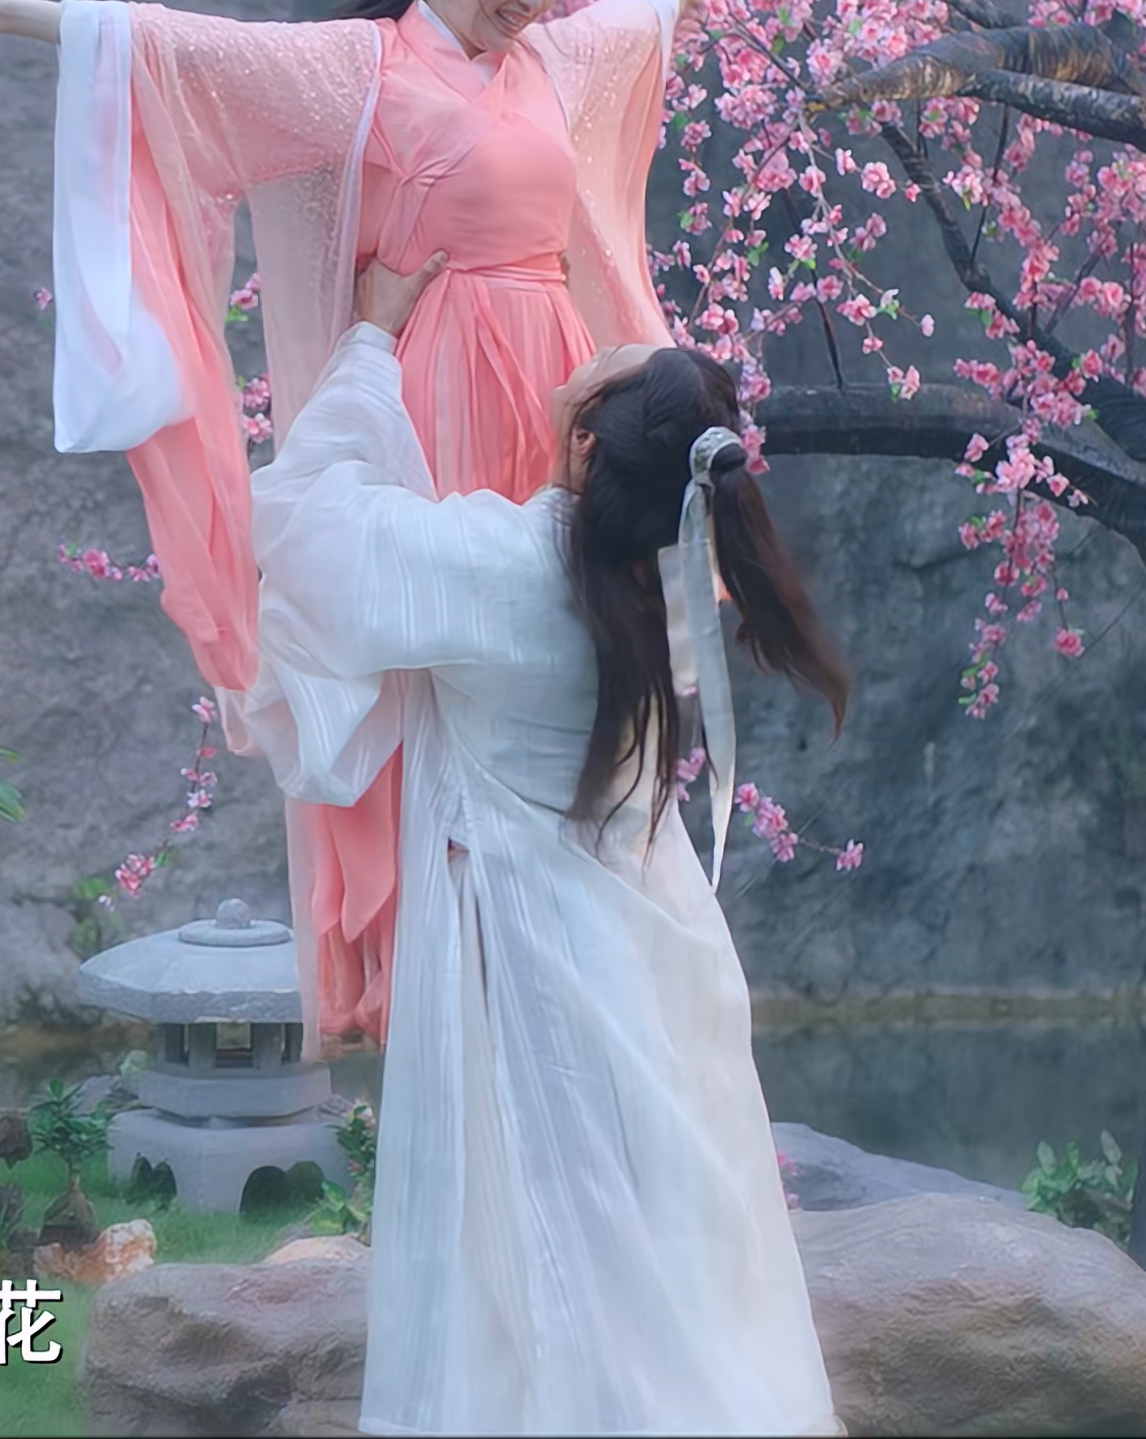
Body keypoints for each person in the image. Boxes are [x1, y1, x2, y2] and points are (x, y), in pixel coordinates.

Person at [0, 0, 711, 1053]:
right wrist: (10, 15)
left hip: (553, 383)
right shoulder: (363, 69)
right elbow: (187, 51)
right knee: (437, 659)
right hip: (437, 389)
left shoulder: (547, 60)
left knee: (566, 643)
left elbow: (636, 20)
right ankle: (445, 966)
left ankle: (570, 948)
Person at [241, 253, 850, 1436]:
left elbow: (310, 528)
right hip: (646, 945)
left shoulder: (501, 566)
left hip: (520, 951)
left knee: (537, 1241)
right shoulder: (667, 588)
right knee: (653, 1248)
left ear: (583, 445)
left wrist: (370, 346)